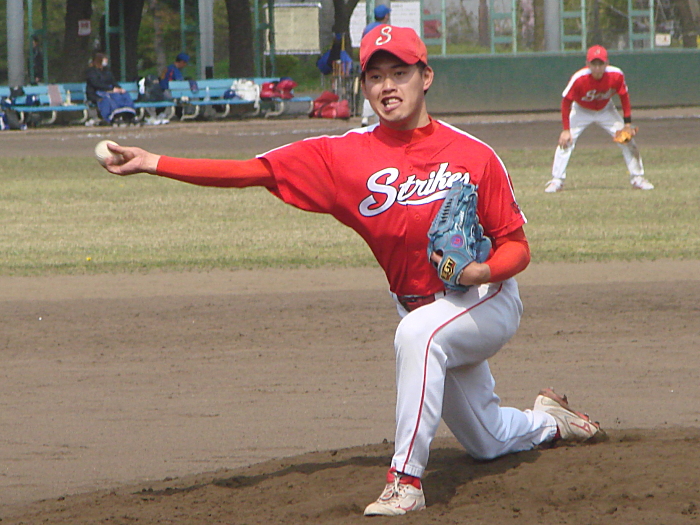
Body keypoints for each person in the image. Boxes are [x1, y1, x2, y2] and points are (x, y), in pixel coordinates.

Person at [99, 25, 604, 516]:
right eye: (376, 76)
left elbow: (518, 247)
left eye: (400, 73)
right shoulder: (342, 156)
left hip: (484, 300)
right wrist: (153, 161)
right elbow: (252, 171)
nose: (388, 86)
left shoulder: (473, 155)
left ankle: (405, 482)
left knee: (418, 336)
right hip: (421, 307)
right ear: (364, 86)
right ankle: (550, 421)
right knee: (488, 440)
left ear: (426, 77)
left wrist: (480, 271)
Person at [545, 45, 654, 193]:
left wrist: (627, 124)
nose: (597, 68)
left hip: (605, 109)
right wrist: (566, 129)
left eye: (600, 64)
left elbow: (624, 97)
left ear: (606, 63)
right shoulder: (579, 78)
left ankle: (637, 178)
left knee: (627, 139)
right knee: (566, 141)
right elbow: (566, 102)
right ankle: (557, 180)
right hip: (581, 110)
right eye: (594, 64)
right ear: (587, 64)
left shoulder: (616, 75)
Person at [85, 52, 136, 125]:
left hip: (110, 91)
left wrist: (120, 89)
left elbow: (113, 81)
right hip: (97, 93)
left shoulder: (106, 71)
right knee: (110, 97)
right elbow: (96, 84)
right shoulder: (91, 71)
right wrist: (110, 89)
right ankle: (113, 116)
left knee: (124, 95)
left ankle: (129, 115)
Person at [360, 4, 391, 126]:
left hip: (368, 61)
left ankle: (365, 118)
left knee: (370, 89)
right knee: (381, 89)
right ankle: (379, 118)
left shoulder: (368, 28)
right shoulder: (385, 29)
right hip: (381, 63)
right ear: (385, 16)